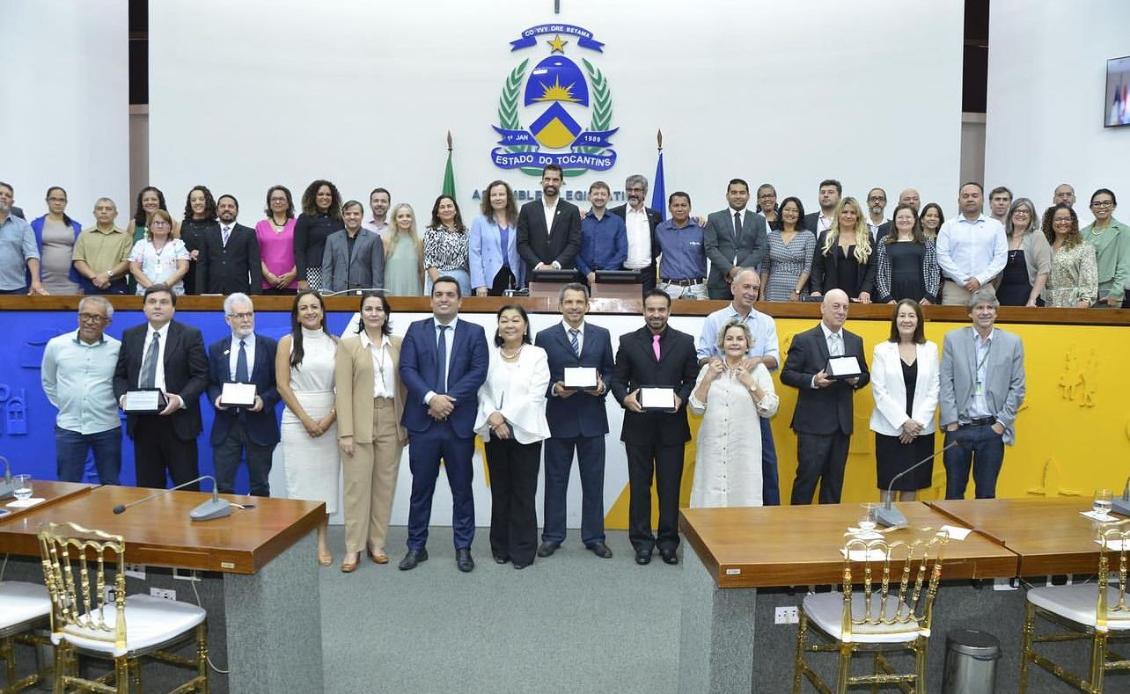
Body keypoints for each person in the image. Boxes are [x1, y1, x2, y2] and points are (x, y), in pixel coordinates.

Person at [398, 276, 489, 573]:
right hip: (423, 425)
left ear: (460, 301)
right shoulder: (415, 330)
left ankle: (463, 548)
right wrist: (430, 398)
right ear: (431, 299)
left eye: (450, 294)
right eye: (438, 294)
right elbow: (407, 369)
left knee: (462, 490)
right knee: (420, 489)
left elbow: (478, 372)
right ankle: (416, 547)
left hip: (458, 424)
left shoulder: (475, 333)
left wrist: (446, 400)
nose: (444, 299)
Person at [611, 289, 698, 565]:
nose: (656, 314)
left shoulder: (685, 342)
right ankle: (642, 542)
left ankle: (668, 542)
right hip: (638, 425)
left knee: (670, 487)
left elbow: (692, 378)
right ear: (643, 310)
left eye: (661, 310)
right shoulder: (627, 342)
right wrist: (624, 398)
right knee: (640, 487)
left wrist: (681, 398)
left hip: (672, 426)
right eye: (651, 309)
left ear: (669, 311)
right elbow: (617, 379)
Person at [535, 283, 615, 559]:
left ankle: (594, 537)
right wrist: (555, 389)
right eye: (568, 302)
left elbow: (610, 371)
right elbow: (538, 378)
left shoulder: (602, 335)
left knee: (594, 482)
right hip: (558, 418)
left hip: (593, 419)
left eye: (579, 302)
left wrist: (603, 386)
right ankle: (552, 536)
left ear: (587, 305)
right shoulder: (544, 337)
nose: (574, 307)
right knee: (555, 481)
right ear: (560, 306)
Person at [697, 269, 783, 504]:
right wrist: (717, 364)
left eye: (755, 288)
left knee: (764, 465)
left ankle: (765, 524)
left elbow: (775, 359)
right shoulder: (714, 319)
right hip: (721, 397)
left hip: (753, 404)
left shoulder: (766, 321)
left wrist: (756, 360)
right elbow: (702, 356)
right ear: (733, 288)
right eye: (746, 287)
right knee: (717, 466)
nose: (751, 292)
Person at [335, 293, 407, 572]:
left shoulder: (398, 345)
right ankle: (353, 548)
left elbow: (405, 387)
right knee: (356, 487)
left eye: (379, 309)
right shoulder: (348, 345)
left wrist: (405, 425)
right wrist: (346, 433)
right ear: (361, 314)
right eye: (369, 309)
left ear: (386, 314)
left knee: (384, 487)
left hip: (391, 418)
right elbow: (342, 392)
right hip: (359, 420)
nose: (374, 313)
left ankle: (376, 543)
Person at [475, 305, 550, 569]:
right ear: (498, 326)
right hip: (495, 433)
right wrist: (493, 417)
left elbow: (536, 394)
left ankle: (523, 550)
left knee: (523, 492)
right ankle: (500, 546)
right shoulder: (490, 355)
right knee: (500, 490)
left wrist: (503, 416)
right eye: (504, 320)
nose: (510, 325)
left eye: (515, 320)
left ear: (525, 326)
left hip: (526, 432)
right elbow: (481, 390)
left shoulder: (537, 354)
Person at [112, 284, 208, 489]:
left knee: (187, 489)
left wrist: (180, 400)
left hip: (178, 422)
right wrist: (123, 398)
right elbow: (119, 376)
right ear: (144, 308)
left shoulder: (190, 335)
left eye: (164, 302)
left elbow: (201, 376)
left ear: (173, 308)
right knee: (148, 489)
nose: (158, 306)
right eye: (152, 302)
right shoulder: (131, 336)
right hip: (142, 423)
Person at [780, 289, 870, 504]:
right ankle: (798, 533)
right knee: (806, 481)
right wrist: (813, 380)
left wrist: (856, 380)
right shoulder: (804, 339)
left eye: (845, 307)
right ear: (822, 308)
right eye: (836, 306)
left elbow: (865, 374)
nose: (841, 312)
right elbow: (787, 375)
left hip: (841, 426)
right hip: (812, 425)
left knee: (834, 484)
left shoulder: (855, 340)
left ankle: (827, 534)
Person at [939, 287, 1026, 499]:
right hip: (960, 427)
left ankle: (981, 532)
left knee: (986, 495)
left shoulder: (1012, 343)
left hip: (991, 429)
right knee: (954, 493)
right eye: (979, 308)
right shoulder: (953, 339)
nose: (985, 312)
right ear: (970, 313)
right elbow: (946, 381)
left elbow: (1018, 387)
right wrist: (951, 422)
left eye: (990, 308)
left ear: (996, 313)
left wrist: (1001, 424)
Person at [276, 290, 339, 565]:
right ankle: (301, 541)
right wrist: (305, 419)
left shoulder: (336, 343)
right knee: (300, 484)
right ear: (297, 314)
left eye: (315, 306)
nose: (310, 311)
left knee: (324, 485)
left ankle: (322, 541)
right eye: (304, 308)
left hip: (330, 418)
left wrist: (328, 419)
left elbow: (343, 388)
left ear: (323, 311)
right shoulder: (286, 342)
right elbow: (282, 385)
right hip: (296, 418)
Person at [689, 319, 779, 507]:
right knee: (709, 498)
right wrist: (708, 378)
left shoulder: (758, 369)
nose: (735, 342)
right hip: (712, 446)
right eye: (729, 339)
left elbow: (770, 408)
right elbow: (696, 407)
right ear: (722, 343)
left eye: (740, 339)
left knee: (743, 498)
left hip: (744, 449)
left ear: (748, 344)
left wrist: (750, 383)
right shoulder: (709, 369)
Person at [41, 296, 122, 483]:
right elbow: (48, 381)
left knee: (111, 485)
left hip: (107, 427)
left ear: (107, 322)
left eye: (96, 317)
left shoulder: (117, 348)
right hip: (69, 427)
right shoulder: (56, 345)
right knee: (67, 485)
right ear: (78, 318)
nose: (89, 322)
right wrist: (66, 405)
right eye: (84, 315)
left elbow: (122, 383)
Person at [206, 293, 279, 497]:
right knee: (224, 485)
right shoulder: (216, 349)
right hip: (226, 426)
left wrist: (264, 400)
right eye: (239, 316)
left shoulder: (271, 347)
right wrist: (216, 398)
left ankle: (263, 529)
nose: (246, 320)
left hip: (260, 426)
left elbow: (279, 385)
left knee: (261, 486)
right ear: (227, 319)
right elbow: (211, 383)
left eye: (249, 314)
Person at [870, 300, 939, 503]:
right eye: (902, 315)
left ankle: (905, 532)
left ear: (919, 320)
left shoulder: (931, 349)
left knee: (912, 484)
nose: (906, 320)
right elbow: (879, 390)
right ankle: (886, 528)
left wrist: (915, 424)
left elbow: (934, 388)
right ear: (895, 319)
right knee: (889, 483)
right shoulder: (882, 349)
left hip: (920, 430)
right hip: (890, 430)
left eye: (911, 315)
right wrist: (903, 423)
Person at [936, 182, 1007, 306]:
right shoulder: (948, 226)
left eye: (974, 195)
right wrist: (964, 281)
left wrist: (979, 280)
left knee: (987, 324)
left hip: (985, 288)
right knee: (950, 325)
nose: (970, 199)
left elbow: (1000, 258)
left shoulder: (995, 226)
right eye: (965, 196)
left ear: (983, 200)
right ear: (959, 200)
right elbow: (942, 257)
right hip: (954, 290)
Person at [704, 178, 769, 300]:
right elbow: (710, 248)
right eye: (734, 193)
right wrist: (729, 270)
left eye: (742, 192)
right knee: (719, 318)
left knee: (746, 318)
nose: (738, 196)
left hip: (748, 283)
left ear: (748, 196)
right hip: (719, 281)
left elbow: (760, 249)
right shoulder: (714, 218)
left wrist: (740, 271)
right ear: (727, 196)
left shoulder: (759, 220)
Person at [516, 164, 582, 275]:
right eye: (547, 179)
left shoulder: (572, 210)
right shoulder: (527, 209)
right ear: (541, 181)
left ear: (561, 183)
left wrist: (556, 265)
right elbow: (522, 243)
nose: (551, 183)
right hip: (534, 272)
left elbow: (574, 243)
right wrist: (539, 265)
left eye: (555, 180)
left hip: (563, 273)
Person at [809, 197, 875, 302]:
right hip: (831, 294)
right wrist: (816, 290)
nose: (848, 216)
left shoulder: (867, 237)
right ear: (838, 214)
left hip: (859, 296)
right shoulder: (825, 236)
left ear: (857, 216)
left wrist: (866, 290)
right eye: (844, 212)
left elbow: (872, 267)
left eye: (853, 213)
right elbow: (817, 266)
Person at [196, 194, 263, 295]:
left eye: (230, 206)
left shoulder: (248, 233)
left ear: (237, 210)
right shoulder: (207, 233)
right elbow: (202, 265)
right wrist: (199, 293)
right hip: (213, 290)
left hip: (240, 291)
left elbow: (255, 266)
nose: (226, 209)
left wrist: (256, 294)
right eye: (223, 206)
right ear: (217, 210)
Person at [873, 204, 940, 304]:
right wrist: (886, 297)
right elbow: (880, 273)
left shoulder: (926, 242)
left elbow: (934, 270)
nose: (904, 220)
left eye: (908, 217)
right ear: (894, 220)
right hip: (892, 297)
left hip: (922, 297)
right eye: (900, 217)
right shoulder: (885, 241)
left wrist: (930, 296)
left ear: (915, 220)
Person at [470, 180, 524, 295]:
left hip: (512, 275)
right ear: (488, 199)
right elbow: (474, 254)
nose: (498, 198)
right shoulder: (479, 221)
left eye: (501, 194)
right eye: (494, 195)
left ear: (508, 197)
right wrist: (479, 284)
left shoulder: (518, 220)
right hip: (489, 278)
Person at [610, 174, 661, 292]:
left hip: (648, 274)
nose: (632, 193)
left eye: (637, 190)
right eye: (629, 189)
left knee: (646, 308)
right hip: (621, 272)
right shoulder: (614, 214)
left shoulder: (655, 216)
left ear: (645, 192)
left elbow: (659, 243)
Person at [321, 200, 384, 293]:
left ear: (362, 216)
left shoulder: (374, 239)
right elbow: (327, 269)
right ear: (343, 216)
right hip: (338, 294)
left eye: (356, 214)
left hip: (365, 296)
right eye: (348, 214)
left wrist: (376, 295)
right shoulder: (332, 239)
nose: (352, 217)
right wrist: (326, 293)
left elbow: (377, 271)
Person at [72, 198, 132, 294]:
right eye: (100, 208)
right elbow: (78, 261)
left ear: (115, 214)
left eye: (108, 209)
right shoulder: (84, 235)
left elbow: (127, 262)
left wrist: (107, 275)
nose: (104, 212)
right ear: (94, 213)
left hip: (116, 285)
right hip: (90, 283)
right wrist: (95, 277)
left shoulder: (125, 236)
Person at [1043, 204, 1098, 308]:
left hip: (1074, 305)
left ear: (1073, 222)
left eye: (1067, 219)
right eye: (1058, 219)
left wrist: (1084, 302)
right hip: (1047, 305)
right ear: (1051, 222)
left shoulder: (1084, 247)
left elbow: (1089, 279)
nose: (1063, 222)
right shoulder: (1045, 247)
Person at [997, 198, 1050, 307]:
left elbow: (1044, 270)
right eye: (1017, 210)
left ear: (1032, 216)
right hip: (1002, 295)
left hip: (1028, 296)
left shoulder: (1037, 236)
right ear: (1011, 214)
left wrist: (1032, 299)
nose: (1021, 214)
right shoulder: (1003, 237)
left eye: (1026, 211)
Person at [761, 197, 815, 301]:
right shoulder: (771, 237)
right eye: (787, 209)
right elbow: (765, 268)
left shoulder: (808, 236)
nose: (790, 213)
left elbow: (808, 267)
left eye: (795, 211)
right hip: (773, 290)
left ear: (800, 215)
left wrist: (797, 291)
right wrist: (762, 293)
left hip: (796, 292)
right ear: (781, 212)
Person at [1082, 188, 1128, 307]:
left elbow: (1125, 265)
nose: (1102, 207)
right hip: (1084, 295)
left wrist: (1116, 293)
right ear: (1091, 208)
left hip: (1109, 292)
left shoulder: (1124, 231)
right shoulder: (1082, 233)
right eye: (1097, 204)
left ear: (1114, 206)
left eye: (1106, 203)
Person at [30, 186, 82, 294]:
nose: (57, 203)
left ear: (66, 202)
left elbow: (80, 256)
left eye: (61, 200)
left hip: (71, 284)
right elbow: (31, 253)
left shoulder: (76, 227)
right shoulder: (36, 225)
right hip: (42, 284)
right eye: (53, 199)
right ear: (47, 201)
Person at [293, 179, 342, 291]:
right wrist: (302, 279)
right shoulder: (305, 218)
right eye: (320, 194)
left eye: (328, 194)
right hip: (312, 272)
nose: (324, 197)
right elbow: (299, 250)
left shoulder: (339, 220)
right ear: (313, 197)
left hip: (335, 272)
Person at [575, 180, 627, 287]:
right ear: (589, 197)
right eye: (596, 194)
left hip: (610, 277)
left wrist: (604, 274)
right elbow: (574, 249)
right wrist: (588, 273)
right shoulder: (580, 221)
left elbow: (622, 251)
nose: (599, 197)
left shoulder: (618, 222)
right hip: (583, 277)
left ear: (609, 197)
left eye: (603, 194)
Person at [128, 209, 190, 295]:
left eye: (164, 223)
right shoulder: (141, 244)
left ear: (169, 227)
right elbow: (134, 269)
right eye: (156, 223)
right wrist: (152, 288)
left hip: (173, 294)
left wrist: (164, 286)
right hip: (145, 294)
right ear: (150, 227)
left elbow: (183, 268)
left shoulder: (178, 244)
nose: (160, 226)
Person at [0, 181, 46, 295]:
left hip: (15, 288)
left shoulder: (23, 226)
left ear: (12, 202)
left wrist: (35, 281)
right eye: (0, 193)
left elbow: (31, 254)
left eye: (8, 195)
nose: (3, 197)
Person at [422, 195, 471, 296]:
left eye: (449, 206)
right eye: (442, 207)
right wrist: (440, 284)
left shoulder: (465, 232)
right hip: (439, 278)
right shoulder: (431, 232)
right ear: (437, 213)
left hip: (462, 280)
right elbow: (429, 262)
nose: (446, 209)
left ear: (455, 210)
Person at [255, 185, 299, 294]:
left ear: (288, 203)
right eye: (274, 199)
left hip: (293, 283)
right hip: (267, 284)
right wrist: (268, 275)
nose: (278, 202)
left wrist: (293, 274)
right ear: (269, 203)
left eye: (281, 199)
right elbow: (255, 254)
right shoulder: (260, 226)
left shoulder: (298, 224)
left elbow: (304, 252)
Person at [179, 185, 218, 296]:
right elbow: (175, 249)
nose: (197, 202)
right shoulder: (182, 225)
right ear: (189, 203)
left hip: (209, 274)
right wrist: (188, 253)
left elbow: (221, 252)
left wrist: (204, 254)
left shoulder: (216, 226)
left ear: (208, 201)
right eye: (193, 200)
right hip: (187, 273)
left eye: (201, 199)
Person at [383, 203, 424, 296]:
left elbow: (421, 271)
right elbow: (380, 270)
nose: (405, 219)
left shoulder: (418, 242)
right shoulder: (387, 241)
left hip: (413, 292)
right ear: (395, 220)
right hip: (391, 292)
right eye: (400, 216)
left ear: (412, 219)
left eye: (408, 216)